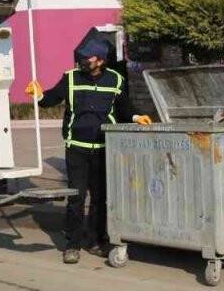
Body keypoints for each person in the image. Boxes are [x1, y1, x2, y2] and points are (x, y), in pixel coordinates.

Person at [25, 38, 139, 264]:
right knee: (76, 197)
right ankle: (72, 244)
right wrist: (38, 96)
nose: (84, 61)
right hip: (76, 148)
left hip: (104, 148)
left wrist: (136, 117)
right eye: (83, 57)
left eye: (89, 57)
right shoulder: (71, 78)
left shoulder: (115, 79)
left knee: (100, 198)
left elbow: (124, 108)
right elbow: (51, 98)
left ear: (101, 60)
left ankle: (96, 241)